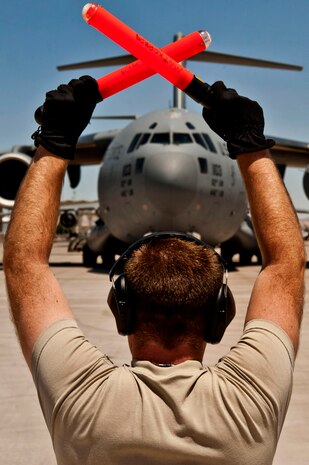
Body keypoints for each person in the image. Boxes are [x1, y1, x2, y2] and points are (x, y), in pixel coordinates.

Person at [3, 76, 306, 465]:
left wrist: (53, 142)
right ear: (221, 314)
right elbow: (285, 267)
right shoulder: (250, 402)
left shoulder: (82, 398)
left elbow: (23, 264)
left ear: (120, 309)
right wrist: (252, 145)